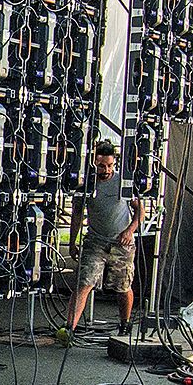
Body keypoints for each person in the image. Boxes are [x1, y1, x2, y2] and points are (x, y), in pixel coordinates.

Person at [60, 141, 143, 342]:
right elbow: (77, 214)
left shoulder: (123, 183)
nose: (105, 170)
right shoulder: (86, 183)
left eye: (109, 166)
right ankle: (69, 327)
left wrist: (130, 230)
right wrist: (73, 241)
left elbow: (140, 211)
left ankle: (125, 322)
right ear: (93, 164)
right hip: (96, 240)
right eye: (101, 166)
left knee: (122, 286)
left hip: (121, 242)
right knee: (84, 282)